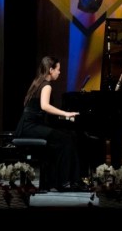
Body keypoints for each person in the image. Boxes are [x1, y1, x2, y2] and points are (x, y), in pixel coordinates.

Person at [15, 56, 88, 191]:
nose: (59, 72)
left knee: (66, 137)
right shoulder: (47, 85)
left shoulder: (37, 82)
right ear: (51, 70)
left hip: (25, 126)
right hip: (30, 127)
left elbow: (29, 105)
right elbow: (45, 106)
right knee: (66, 139)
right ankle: (66, 181)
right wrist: (66, 114)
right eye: (58, 69)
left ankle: (56, 180)